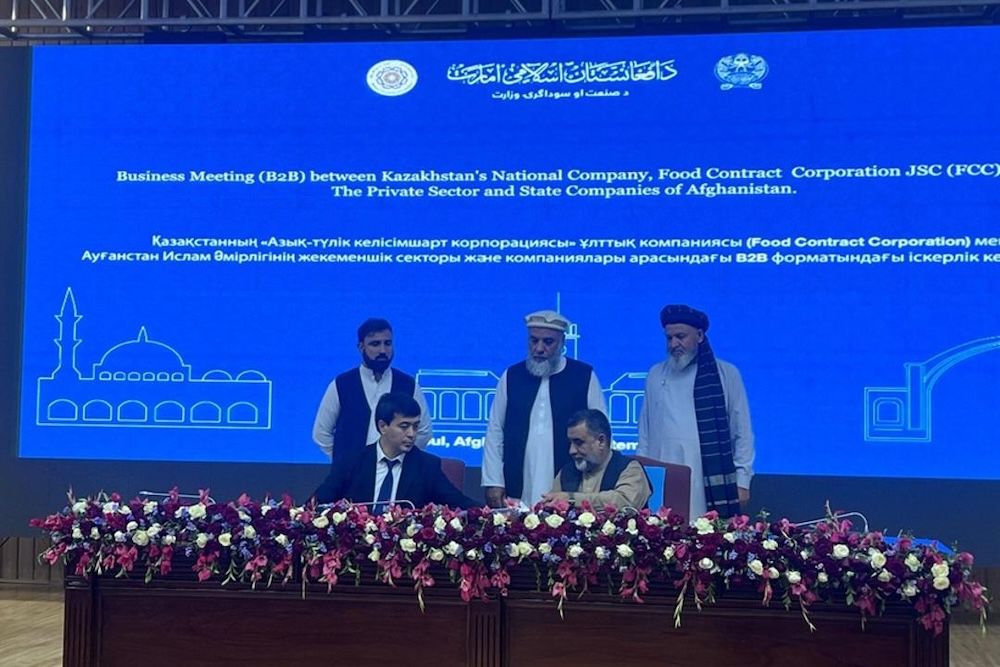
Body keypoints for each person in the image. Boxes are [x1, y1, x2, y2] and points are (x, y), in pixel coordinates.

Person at [637, 305, 754, 520]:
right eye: (669, 338)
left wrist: (742, 481)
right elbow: (645, 432)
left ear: (699, 335)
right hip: (661, 478)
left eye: (680, 337)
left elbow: (742, 432)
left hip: (707, 478)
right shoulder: (655, 374)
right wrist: (640, 474)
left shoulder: (726, 374)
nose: (674, 344)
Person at [481, 310, 606, 508]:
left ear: (562, 342)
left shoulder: (584, 376)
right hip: (517, 482)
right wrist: (493, 480)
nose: (539, 348)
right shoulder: (511, 376)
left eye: (548, 342)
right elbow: (495, 431)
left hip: (570, 483)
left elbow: (601, 433)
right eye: (534, 341)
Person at [313, 392, 478, 509]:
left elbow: (460, 504)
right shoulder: (351, 462)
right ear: (383, 426)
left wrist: (489, 516)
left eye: (415, 426)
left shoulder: (427, 467)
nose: (412, 434)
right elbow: (316, 505)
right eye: (404, 426)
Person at [312, 318, 432, 462]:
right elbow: (321, 433)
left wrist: (402, 461)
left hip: (395, 472)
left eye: (387, 343)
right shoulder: (341, 384)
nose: (383, 350)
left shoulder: (408, 384)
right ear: (361, 347)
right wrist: (343, 462)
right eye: (375, 344)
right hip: (351, 473)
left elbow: (424, 431)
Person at [542, 409, 651, 510]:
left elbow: (624, 502)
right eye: (570, 443)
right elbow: (552, 506)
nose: (572, 451)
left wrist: (572, 499)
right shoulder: (567, 472)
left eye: (579, 442)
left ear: (601, 441)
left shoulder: (630, 469)